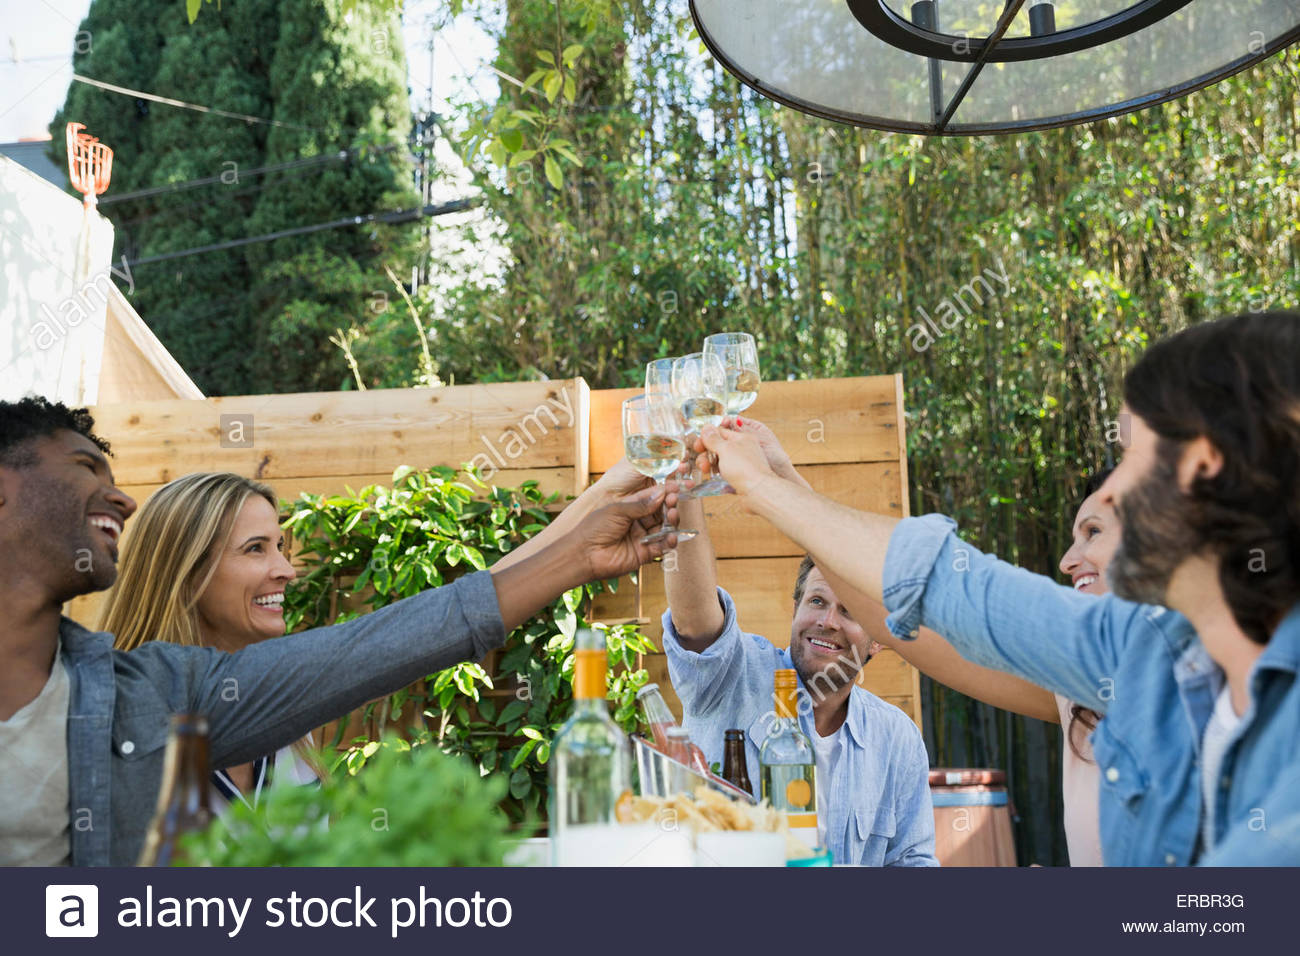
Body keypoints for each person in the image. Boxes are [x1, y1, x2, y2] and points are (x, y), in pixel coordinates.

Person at [699, 310, 1300, 866]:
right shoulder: (1129, 651)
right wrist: (780, 489)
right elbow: (946, 597)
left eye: (1136, 458)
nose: (1115, 490)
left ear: (1205, 468)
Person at [0, 397, 678, 866]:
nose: (287, 571)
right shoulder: (138, 710)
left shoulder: (176, 697)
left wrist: (595, 525)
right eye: (255, 550)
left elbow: (426, 626)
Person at [724, 419, 1111, 865]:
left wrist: (764, 488)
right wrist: (784, 482)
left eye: (1095, 532)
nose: (1066, 561)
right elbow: (901, 621)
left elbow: (940, 583)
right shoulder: (1081, 685)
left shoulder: (1177, 666)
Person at [662, 471, 938, 867]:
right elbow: (693, 619)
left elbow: (913, 862)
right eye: (817, 601)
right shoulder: (733, 676)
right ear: (795, 610)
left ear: (879, 638)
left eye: (849, 611)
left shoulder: (898, 740)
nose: (828, 621)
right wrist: (683, 485)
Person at [100, 473, 325, 813]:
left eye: (279, 546)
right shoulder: (111, 724)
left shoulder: (286, 714)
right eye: (255, 548)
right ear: (187, 572)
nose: (287, 570)